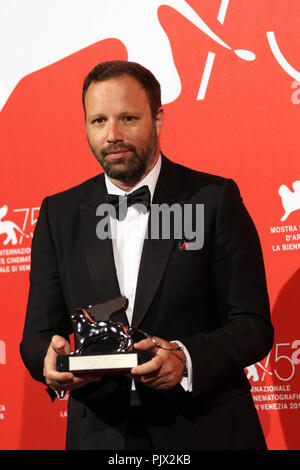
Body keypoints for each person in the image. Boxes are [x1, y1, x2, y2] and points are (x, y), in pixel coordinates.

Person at [20, 60, 274, 450]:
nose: (113, 135)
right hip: (101, 437)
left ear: (158, 119)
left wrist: (185, 357)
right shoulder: (60, 213)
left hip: (203, 429)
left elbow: (252, 325)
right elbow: (37, 335)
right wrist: (48, 359)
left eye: (128, 118)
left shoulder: (213, 200)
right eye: (99, 121)